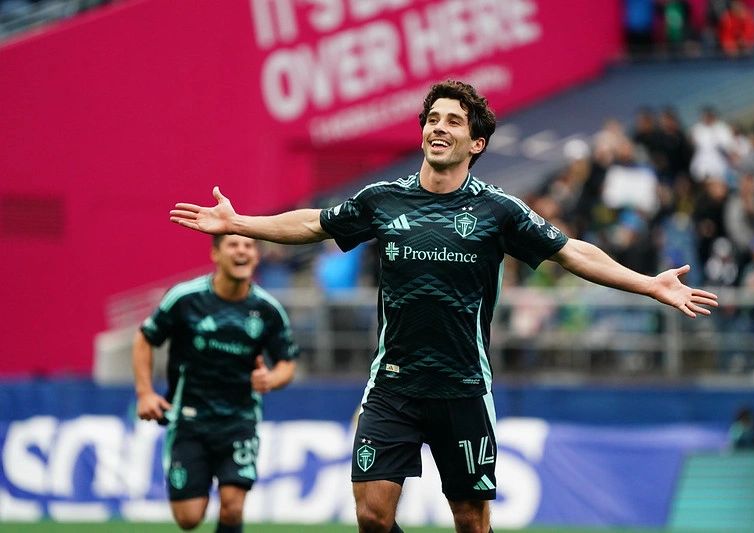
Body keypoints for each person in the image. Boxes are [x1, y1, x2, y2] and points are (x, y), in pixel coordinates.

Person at [169, 80, 719, 533]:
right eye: (433, 118)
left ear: (476, 142)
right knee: (372, 517)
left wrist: (650, 284)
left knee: (472, 523)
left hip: (462, 389)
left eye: (454, 121)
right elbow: (313, 223)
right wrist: (241, 222)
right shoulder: (381, 201)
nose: (439, 127)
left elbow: (572, 251)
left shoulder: (499, 210)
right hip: (393, 387)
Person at [132, 234, 299, 533]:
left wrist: (270, 378)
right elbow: (145, 338)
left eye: (249, 246)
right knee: (188, 518)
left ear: (256, 256)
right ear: (215, 254)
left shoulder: (268, 310)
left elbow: (287, 364)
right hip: (189, 420)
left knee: (233, 508)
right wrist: (145, 392)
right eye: (233, 245)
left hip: (240, 420)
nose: (242, 251)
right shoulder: (185, 299)